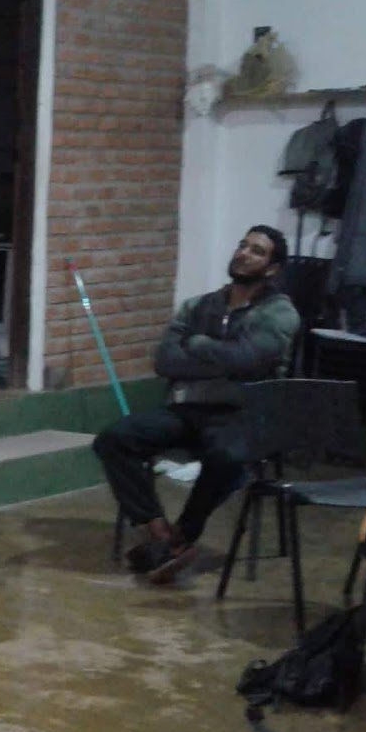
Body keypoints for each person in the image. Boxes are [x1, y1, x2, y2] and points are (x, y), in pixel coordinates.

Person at [94, 225, 300, 586]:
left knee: (227, 455)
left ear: (272, 268)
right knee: (114, 439)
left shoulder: (279, 313)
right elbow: (166, 362)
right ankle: (160, 534)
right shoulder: (197, 305)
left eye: (257, 251)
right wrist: (223, 360)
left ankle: (183, 536)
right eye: (243, 245)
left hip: (244, 416)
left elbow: (248, 361)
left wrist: (199, 345)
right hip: (190, 411)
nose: (244, 253)